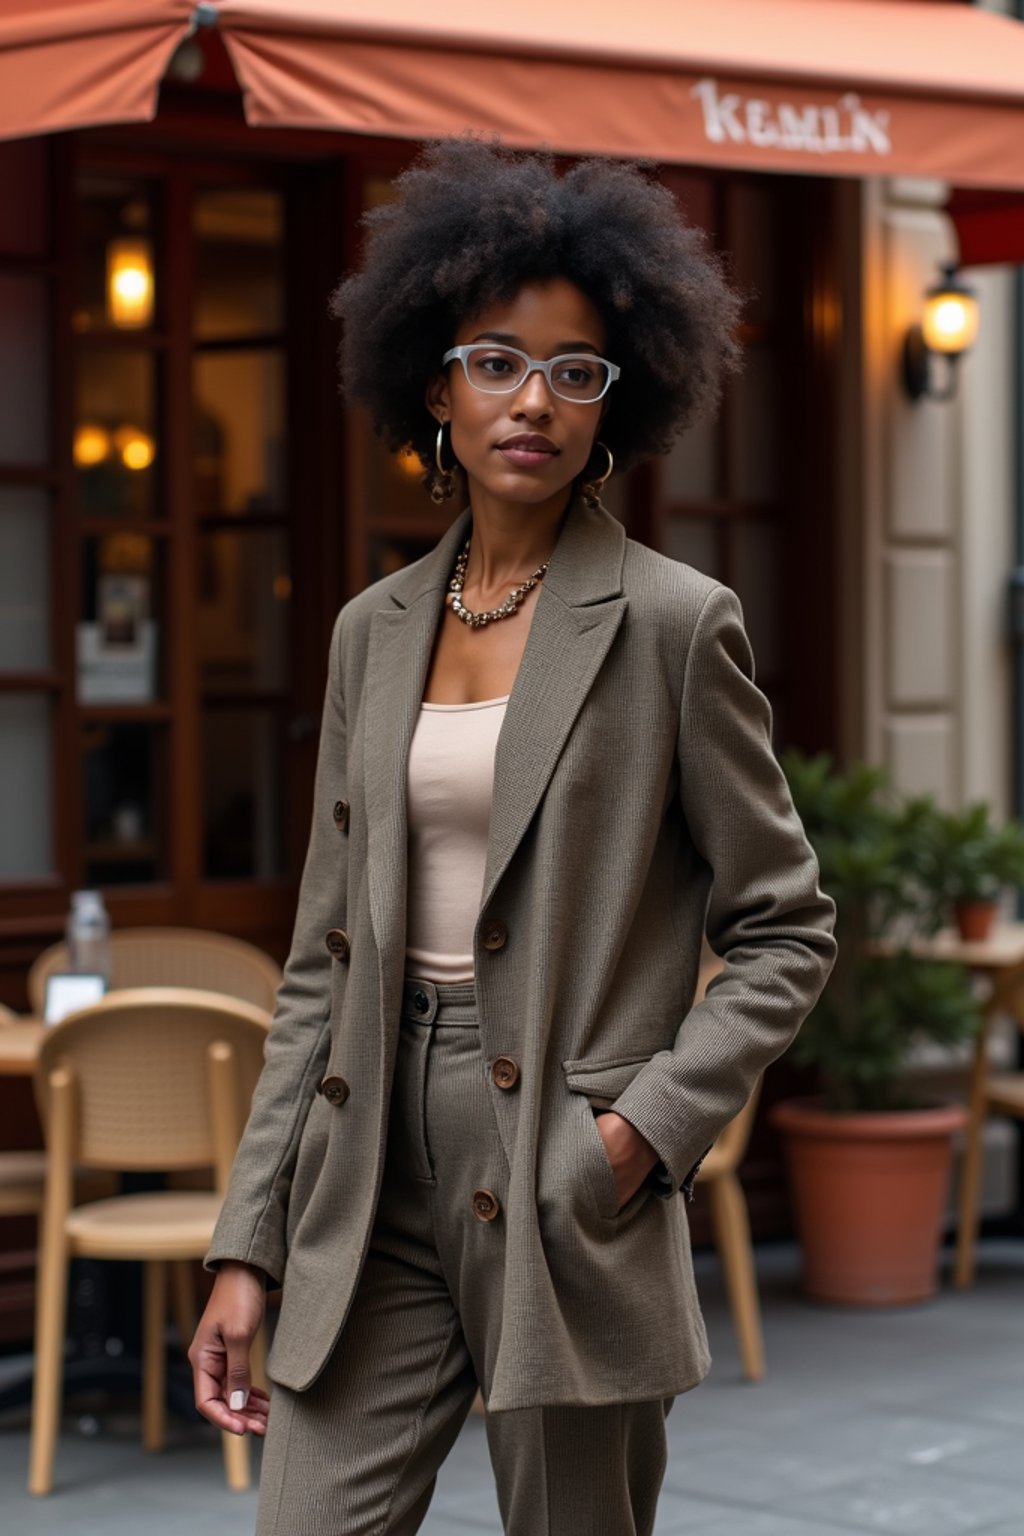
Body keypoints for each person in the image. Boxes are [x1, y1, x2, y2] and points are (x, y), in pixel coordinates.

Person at [189, 139, 838, 1536]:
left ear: (620, 400)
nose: (532, 400)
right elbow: (322, 960)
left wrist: (637, 1135)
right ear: (434, 384)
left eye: (576, 369)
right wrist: (246, 1244)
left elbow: (788, 922)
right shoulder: (372, 633)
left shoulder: (675, 625)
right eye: (496, 360)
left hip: (563, 1170)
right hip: (365, 1179)